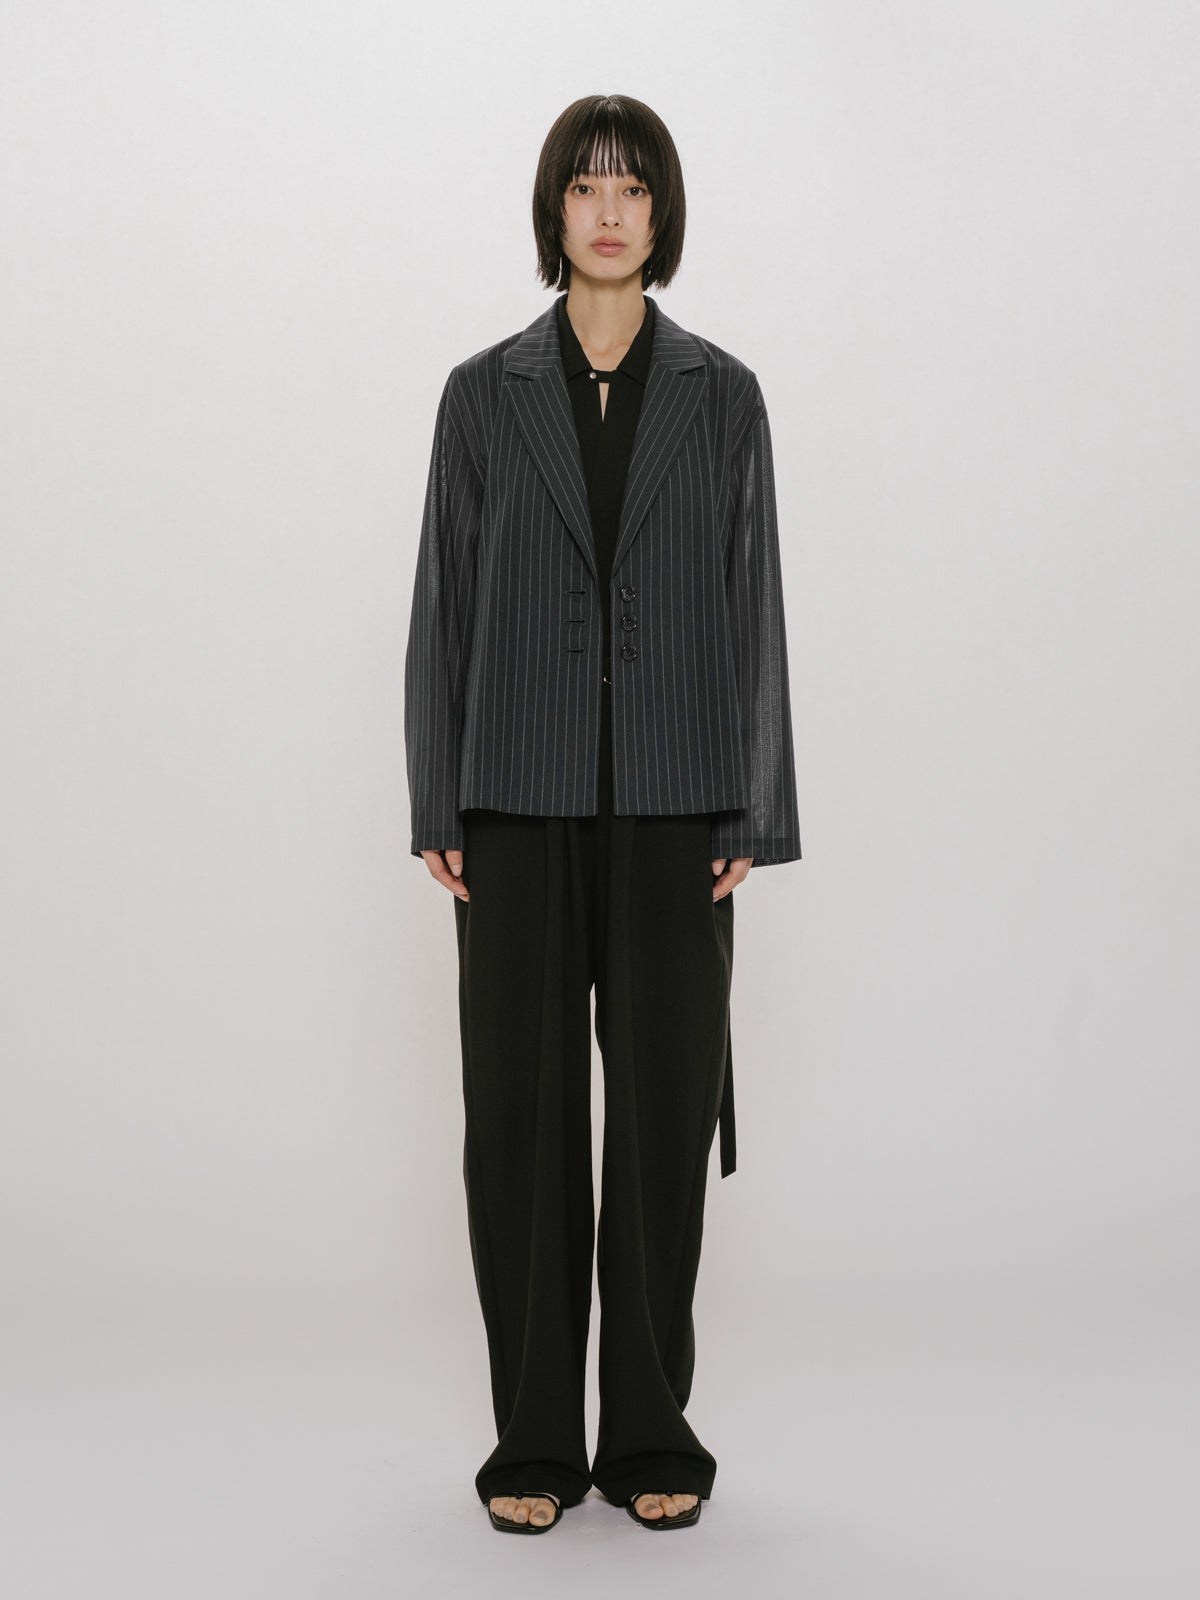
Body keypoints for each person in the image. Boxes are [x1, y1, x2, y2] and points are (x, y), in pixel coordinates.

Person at [404, 94, 801, 1534]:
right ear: (555, 211)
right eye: (586, 185)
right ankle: (530, 1442)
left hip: (679, 807)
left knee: (659, 1123)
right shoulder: (481, 394)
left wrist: (754, 800)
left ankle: (647, 1434)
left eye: (633, 187)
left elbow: (753, 600)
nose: (611, 209)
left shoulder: (725, 395)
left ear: (662, 212)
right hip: (514, 798)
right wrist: (435, 791)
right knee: (518, 1126)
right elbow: (444, 597)